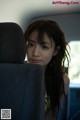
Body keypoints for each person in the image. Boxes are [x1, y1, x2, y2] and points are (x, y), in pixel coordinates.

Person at [24, 20, 70, 120]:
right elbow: (5, 108)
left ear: (55, 51)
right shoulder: (14, 74)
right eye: (31, 44)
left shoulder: (62, 80)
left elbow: (51, 116)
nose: (35, 53)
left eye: (44, 46)